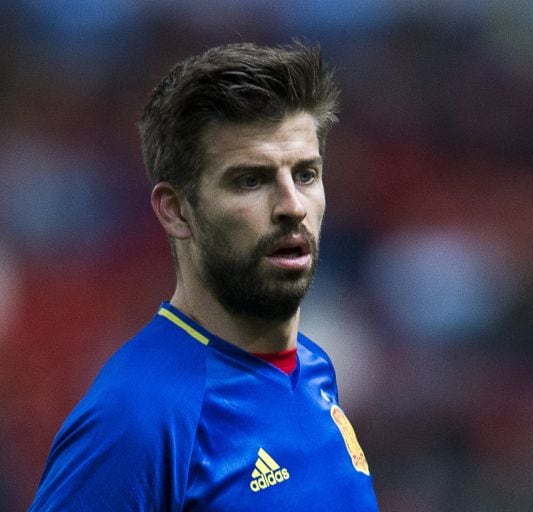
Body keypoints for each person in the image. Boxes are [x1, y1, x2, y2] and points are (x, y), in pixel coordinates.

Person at [29, 41, 379, 511]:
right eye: (250, 181)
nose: (292, 206)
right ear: (176, 211)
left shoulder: (312, 367)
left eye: (306, 174)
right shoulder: (137, 420)